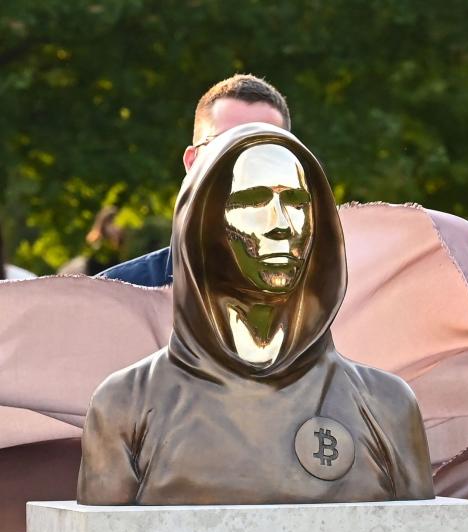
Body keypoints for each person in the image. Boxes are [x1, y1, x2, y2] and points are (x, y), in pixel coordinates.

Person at [79, 124, 433, 505]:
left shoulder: (385, 404)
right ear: (203, 224)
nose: (282, 224)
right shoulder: (126, 405)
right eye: (252, 201)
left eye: (297, 202)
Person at [100, 74, 290, 286]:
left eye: (264, 147)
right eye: (225, 144)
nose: (243, 161)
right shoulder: (115, 295)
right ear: (192, 161)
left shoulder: (325, 298)